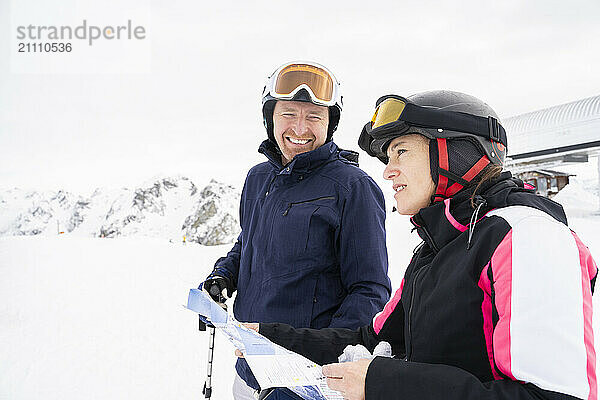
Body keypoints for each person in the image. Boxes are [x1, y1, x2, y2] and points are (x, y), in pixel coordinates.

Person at [244, 91, 598, 400]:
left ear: (454, 154)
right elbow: (369, 338)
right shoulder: (434, 248)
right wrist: (269, 336)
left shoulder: (528, 237)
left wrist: (381, 383)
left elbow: (552, 396)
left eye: (400, 152)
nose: (388, 171)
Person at [201, 61, 392, 399]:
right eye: (288, 113)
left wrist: (313, 364)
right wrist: (223, 276)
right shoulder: (258, 178)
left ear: (330, 124)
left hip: (305, 380)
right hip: (248, 370)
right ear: (270, 118)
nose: (300, 128)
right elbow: (249, 240)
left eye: (315, 117)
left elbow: (369, 290)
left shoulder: (352, 188)